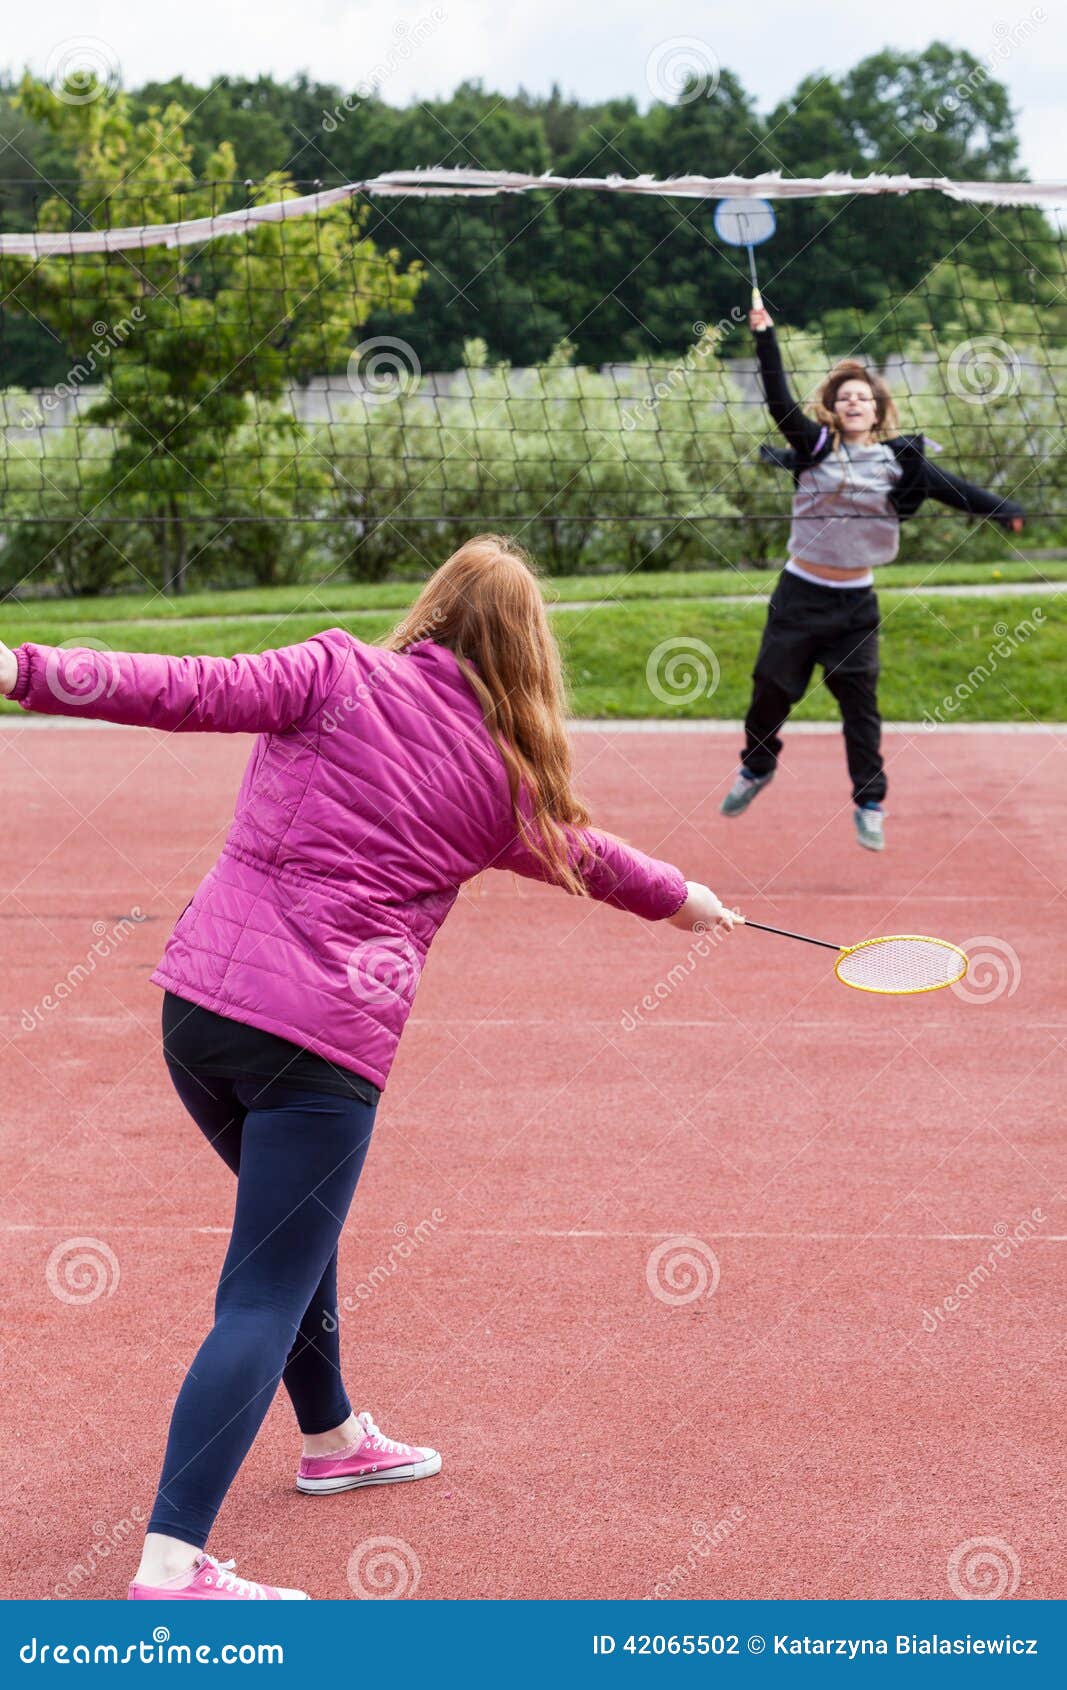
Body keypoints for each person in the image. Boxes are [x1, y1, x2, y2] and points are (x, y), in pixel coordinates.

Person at [0, 534, 738, 1602]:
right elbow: (594, 858)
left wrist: (20, 667)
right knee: (263, 1289)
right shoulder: (502, 779)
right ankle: (172, 1564)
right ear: (527, 653)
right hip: (319, 1047)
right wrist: (689, 903)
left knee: (292, 1238)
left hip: (198, 1015)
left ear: (434, 611)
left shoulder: (334, 670)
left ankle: (334, 1435)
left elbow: (180, 688)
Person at [722, 306, 1025, 851]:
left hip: (854, 604)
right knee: (771, 688)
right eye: (844, 397)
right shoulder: (814, 448)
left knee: (860, 708)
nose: (854, 402)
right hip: (799, 595)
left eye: (863, 396)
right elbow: (777, 400)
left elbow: (960, 491)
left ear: (879, 408)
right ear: (833, 410)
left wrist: (1007, 511)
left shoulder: (899, 463)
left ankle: (869, 802)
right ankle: (757, 767)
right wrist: (765, 337)